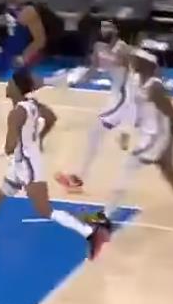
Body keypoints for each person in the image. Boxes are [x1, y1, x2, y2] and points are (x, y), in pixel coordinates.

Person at [0, 69, 110, 260]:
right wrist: (38, 139)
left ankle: (91, 233)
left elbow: (9, 148)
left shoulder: (16, 114)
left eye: (10, 83)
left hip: (27, 165)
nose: (7, 85)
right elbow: (51, 117)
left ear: (17, 87)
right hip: (21, 162)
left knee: (45, 210)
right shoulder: (32, 104)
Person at [97, 49, 173, 235]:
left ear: (147, 63)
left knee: (127, 168)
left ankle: (105, 216)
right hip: (148, 135)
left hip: (157, 138)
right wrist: (125, 131)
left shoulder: (155, 87)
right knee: (169, 174)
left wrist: (169, 145)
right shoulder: (136, 80)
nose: (133, 61)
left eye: (137, 59)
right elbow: (131, 107)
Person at [53, 21, 134, 193]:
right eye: (103, 26)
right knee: (95, 134)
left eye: (109, 26)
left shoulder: (123, 49)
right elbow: (94, 69)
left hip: (126, 95)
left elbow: (132, 68)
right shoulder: (98, 47)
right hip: (115, 96)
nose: (104, 30)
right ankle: (124, 130)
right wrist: (75, 80)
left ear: (116, 30)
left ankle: (125, 129)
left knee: (96, 133)